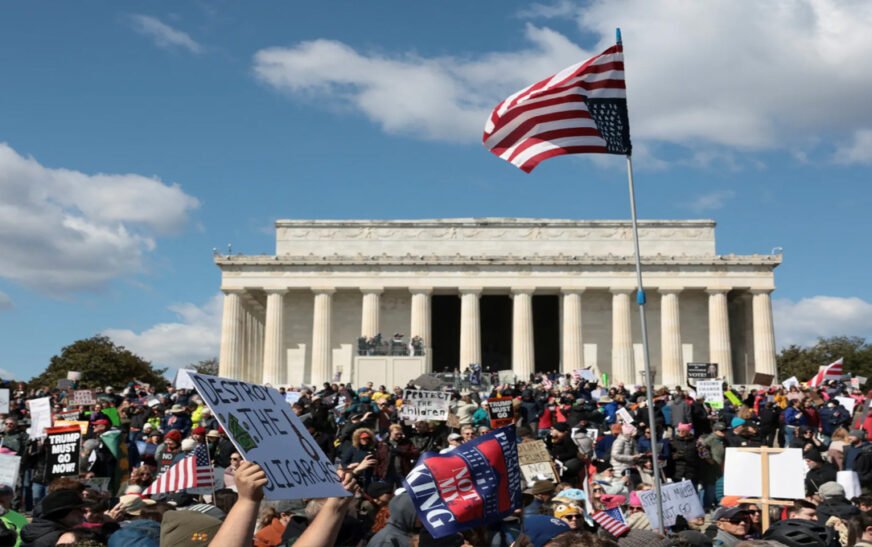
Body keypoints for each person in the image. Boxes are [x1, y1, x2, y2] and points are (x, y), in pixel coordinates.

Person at [19, 490, 85, 547]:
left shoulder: (37, 532)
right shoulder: (63, 539)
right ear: (64, 513)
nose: (83, 513)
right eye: (80, 509)